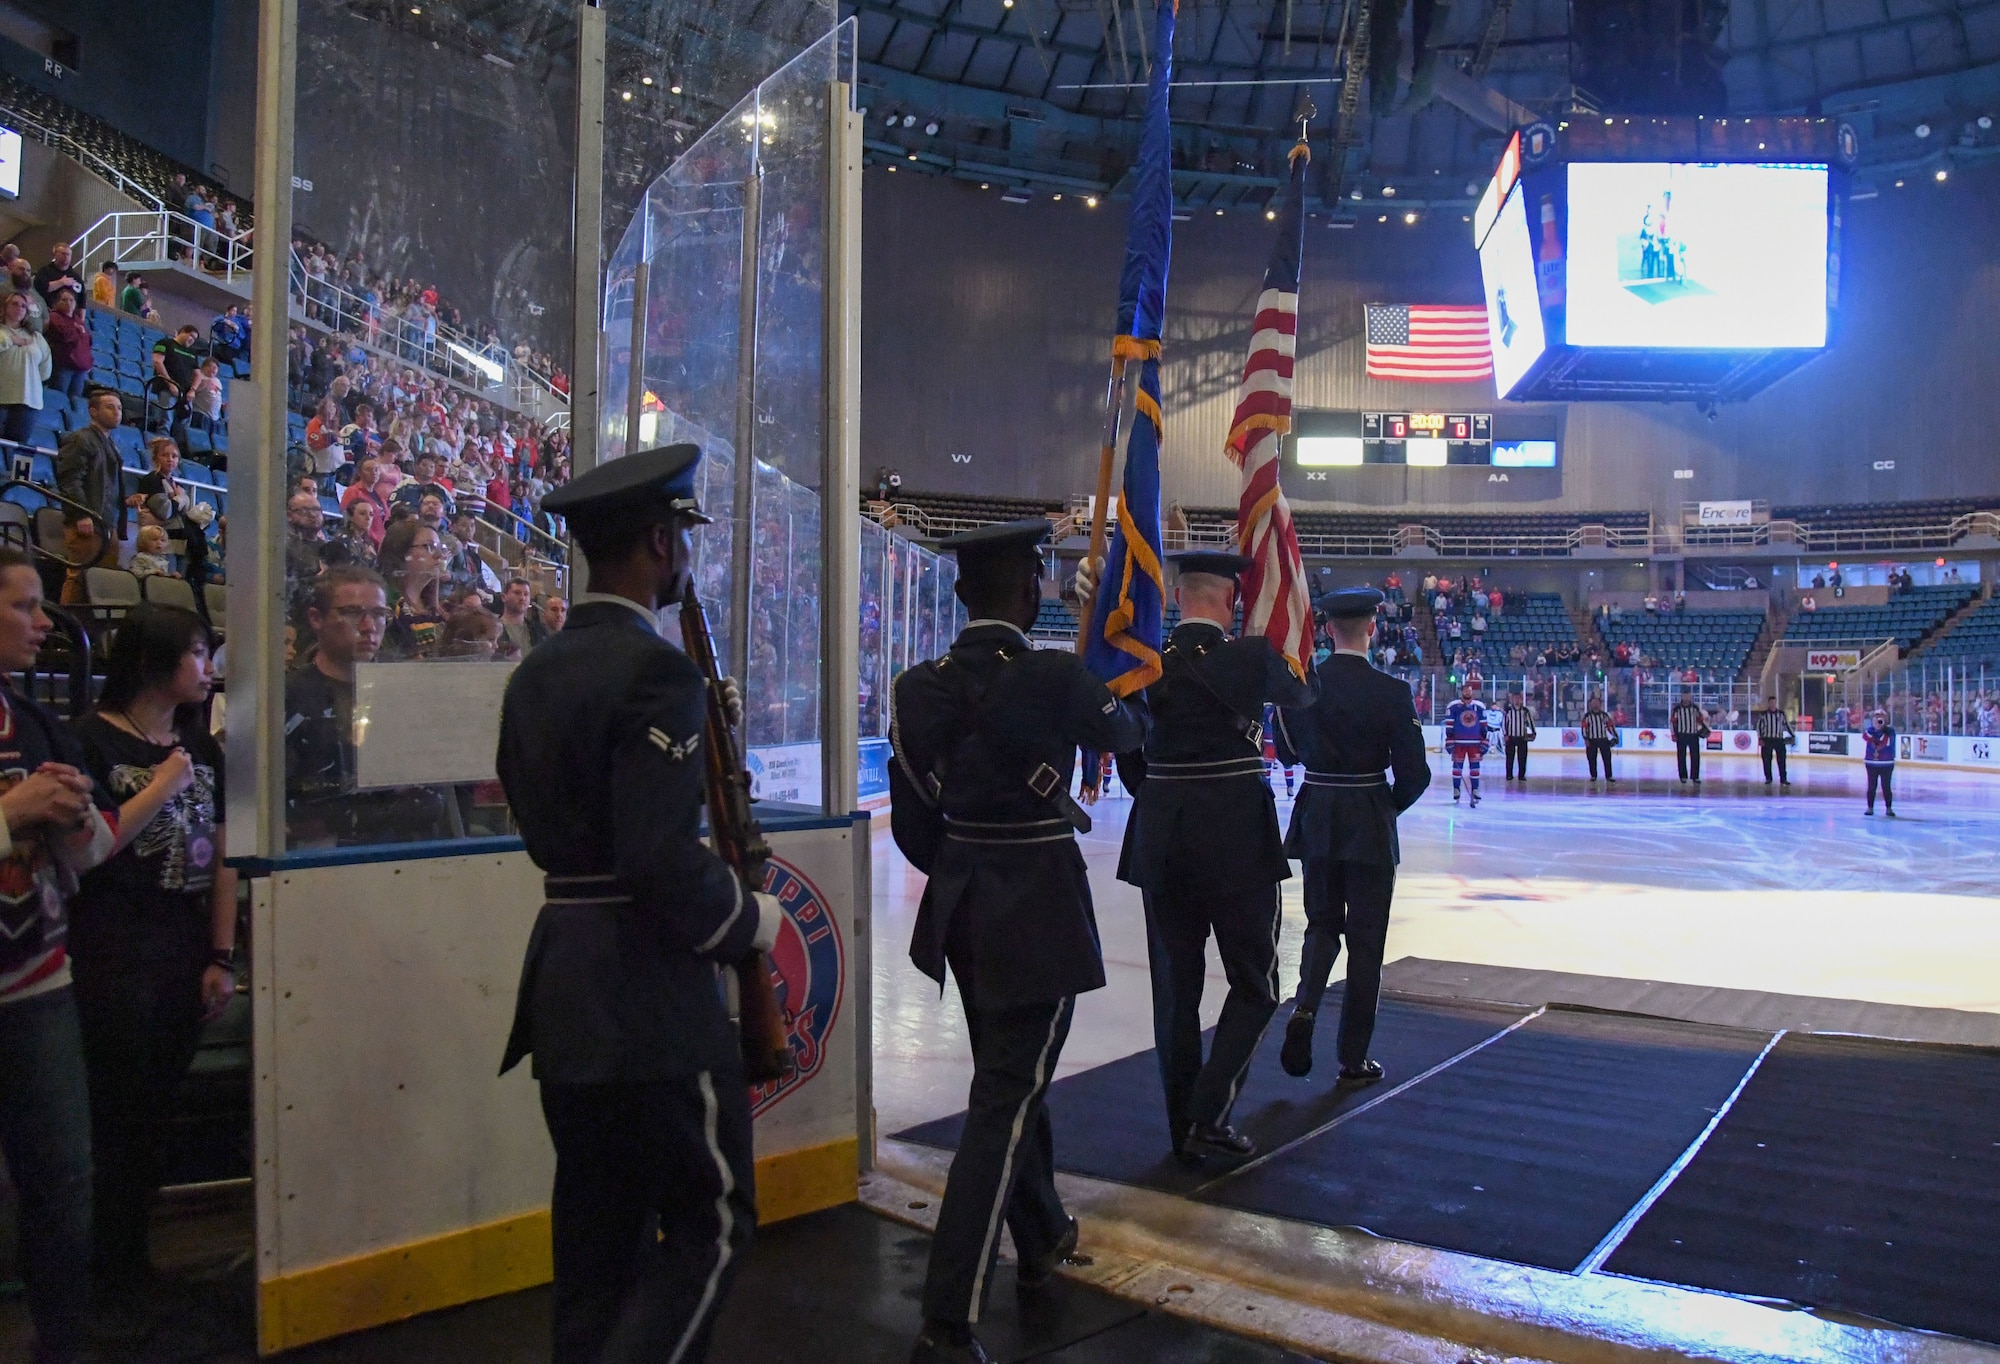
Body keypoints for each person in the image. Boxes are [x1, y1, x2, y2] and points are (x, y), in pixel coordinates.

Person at [496, 444, 783, 1364]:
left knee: (594, 1245)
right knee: (716, 1226)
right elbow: (660, 861)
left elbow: (552, 834)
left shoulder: (534, 673)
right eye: (682, 539)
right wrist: (754, 922)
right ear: (661, 540)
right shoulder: (659, 672)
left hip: (566, 987)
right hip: (647, 996)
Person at [887, 518, 1145, 1363]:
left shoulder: (916, 684)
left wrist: (965, 855)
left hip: (960, 899)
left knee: (1007, 1071)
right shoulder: (1054, 674)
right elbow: (1126, 737)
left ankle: (1041, 1235)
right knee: (1003, 1099)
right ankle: (948, 1315)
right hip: (1034, 900)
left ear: (961, 597)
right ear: (1032, 591)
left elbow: (917, 822)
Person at [1105, 551, 1314, 1165]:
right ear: (1231, 601)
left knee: (1175, 991)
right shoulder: (1249, 658)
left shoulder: (1147, 664)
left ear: (1178, 597)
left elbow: (1128, 755)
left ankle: (1181, 1128)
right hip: (1237, 837)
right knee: (1256, 982)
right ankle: (1209, 1111)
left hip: (1162, 834)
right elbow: (1305, 696)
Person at [67, 604, 235, 1302]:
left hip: (181, 939)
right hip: (113, 941)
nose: (207, 667)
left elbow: (224, 847)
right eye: (195, 653)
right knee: (118, 1112)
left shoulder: (201, 741)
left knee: (157, 1108)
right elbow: (88, 849)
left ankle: (134, 1261)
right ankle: (107, 1268)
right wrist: (164, 783)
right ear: (153, 661)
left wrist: (220, 952)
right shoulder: (90, 741)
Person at [0, 546, 118, 1364]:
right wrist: (13, 811)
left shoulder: (37, 721)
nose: (45, 624)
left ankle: (64, 1344)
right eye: (25, 606)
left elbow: (93, 848)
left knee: (64, 1181)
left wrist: (75, 823)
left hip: (38, 983)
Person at [1271, 588, 1430, 1084]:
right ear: (1372, 628)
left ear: (1326, 630)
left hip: (1318, 812)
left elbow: (1288, 753)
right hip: (1367, 817)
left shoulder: (1303, 688)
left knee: (1321, 925)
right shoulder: (1391, 691)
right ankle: (1353, 1057)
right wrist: (1385, 808)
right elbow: (1415, 774)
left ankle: (1305, 1008)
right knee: (1366, 941)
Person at [284, 565, 451, 846]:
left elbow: (433, 799)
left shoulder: (405, 693)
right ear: (316, 618)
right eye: (352, 613)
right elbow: (293, 809)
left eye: (378, 614)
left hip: (406, 856)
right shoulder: (289, 697)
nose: (368, 626)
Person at [55, 386, 127, 603]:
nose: (117, 412)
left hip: (107, 522)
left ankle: (93, 635)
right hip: (89, 520)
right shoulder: (81, 439)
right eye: (110, 407)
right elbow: (69, 480)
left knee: (102, 583)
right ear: (93, 411)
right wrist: (80, 515)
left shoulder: (110, 443)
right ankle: (65, 631)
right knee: (79, 579)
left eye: (120, 408)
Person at [0, 289, 52, 445]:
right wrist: (10, 340)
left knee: (16, 449)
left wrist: (31, 379)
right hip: (2, 397)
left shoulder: (36, 337)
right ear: (4, 307)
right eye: (14, 304)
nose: (19, 308)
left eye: (23, 306)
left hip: (28, 401)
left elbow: (45, 367)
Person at [1442, 682, 1490, 806]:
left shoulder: (1479, 706)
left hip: (1475, 743)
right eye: (1465, 691)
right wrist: (1449, 740)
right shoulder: (1453, 707)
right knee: (1457, 768)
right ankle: (1456, 789)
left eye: (1469, 690)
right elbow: (1449, 725)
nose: (1467, 693)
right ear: (1461, 692)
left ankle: (1475, 789)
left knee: (1475, 768)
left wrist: (1484, 740)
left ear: (1472, 691)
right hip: (1458, 743)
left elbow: (1484, 726)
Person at [42, 289, 92, 404]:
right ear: (57, 302)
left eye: (71, 300)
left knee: (75, 402)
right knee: (58, 399)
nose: (68, 303)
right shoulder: (54, 317)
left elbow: (87, 341)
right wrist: (79, 332)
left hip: (80, 368)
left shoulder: (79, 321)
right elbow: (65, 335)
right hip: (63, 366)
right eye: (64, 300)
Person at [1754, 695, 1796, 787]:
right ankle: (1768, 778)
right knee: (1766, 760)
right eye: (1771, 703)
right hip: (1767, 739)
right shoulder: (1763, 714)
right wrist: (1760, 738)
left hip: (1779, 740)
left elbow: (1787, 725)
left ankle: (1783, 779)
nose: (1772, 704)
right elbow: (1759, 727)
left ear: (1776, 703)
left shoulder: (1781, 714)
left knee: (1782, 760)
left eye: (1774, 702)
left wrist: (1793, 735)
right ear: (1768, 703)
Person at [1862, 708, 1897, 816]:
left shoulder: (1890, 731)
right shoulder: (1870, 730)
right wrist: (1875, 729)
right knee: (1871, 786)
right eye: (1876, 717)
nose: (1878, 720)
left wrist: (1880, 729)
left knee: (1886, 786)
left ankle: (1889, 808)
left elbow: (1886, 742)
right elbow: (1865, 737)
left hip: (1886, 763)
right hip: (1871, 762)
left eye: (1881, 717)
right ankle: (1870, 807)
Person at [1671, 691, 1710, 785]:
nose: (1686, 697)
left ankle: (1695, 777)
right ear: (1682, 696)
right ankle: (1683, 776)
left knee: (1695, 756)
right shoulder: (1676, 708)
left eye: (1688, 696)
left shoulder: (1695, 707)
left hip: (1693, 735)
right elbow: (1672, 722)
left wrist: (1704, 728)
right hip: (1681, 735)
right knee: (1681, 756)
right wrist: (1673, 734)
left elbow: (1700, 719)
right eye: (1684, 695)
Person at [1581, 694, 1617, 783]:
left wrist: (1615, 736)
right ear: (1591, 705)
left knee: (1607, 758)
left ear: (1600, 704)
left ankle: (1609, 776)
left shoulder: (1604, 715)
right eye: (1593, 703)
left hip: (1603, 739)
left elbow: (1610, 726)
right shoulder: (1587, 716)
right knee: (1591, 758)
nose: (1595, 704)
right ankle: (1593, 776)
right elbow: (1584, 728)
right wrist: (1586, 739)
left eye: (1597, 703)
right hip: (1591, 739)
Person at [1500, 690, 1535, 780]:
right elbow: (1504, 723)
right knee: (1509, 757)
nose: (1517, 700)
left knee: (1522, 757)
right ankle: (1509, 775)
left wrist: (1533, 732)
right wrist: (1505, 734)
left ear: (1521, 700)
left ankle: (1521, 775)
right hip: (1511, 737)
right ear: (1512, 700)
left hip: (1522, 737)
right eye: (1515, 699)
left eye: (1518, 699)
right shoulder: (1507, 711)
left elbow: (1530, 722)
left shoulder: (1525, 711)